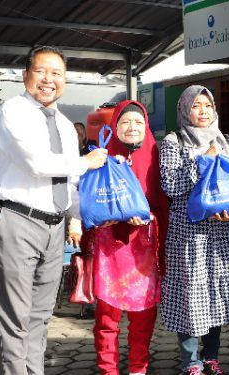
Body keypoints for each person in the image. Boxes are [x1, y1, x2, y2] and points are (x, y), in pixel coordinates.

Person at [0, 45, 108, 375]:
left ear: (65, 81)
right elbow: (38, 163)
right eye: (41, 71)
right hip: (16, 219)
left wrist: (83, 217)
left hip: (54, 229)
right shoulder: (13, 112)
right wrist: (85, 161)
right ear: (26, 75)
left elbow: (68, 185)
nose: (48, 80)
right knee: (15, 317)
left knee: (40, 316)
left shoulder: (67, 127)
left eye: (56, 73)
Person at [160, 85, 229, 375]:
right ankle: (191, 361)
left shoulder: (225, 140)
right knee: (190, 295)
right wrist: (202, 160)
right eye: (196, 105)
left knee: (216, 293)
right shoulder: (174, 141)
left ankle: (211, 355)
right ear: (185, 109)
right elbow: (171, 186)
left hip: (222, 231)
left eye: (207, 106)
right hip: (189, 233)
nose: (202, 111)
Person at [82, 100, 168, 375]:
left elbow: (164, 203)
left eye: (138, 123)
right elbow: (87, 200)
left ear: (146, 127)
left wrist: (149, 218)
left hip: (144, 250)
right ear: (115, 126)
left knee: (143, 316)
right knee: (107, 317)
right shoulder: (100, 157)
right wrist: (98, 221)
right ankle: (108, 370)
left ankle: (138, 369)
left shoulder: (154, 156)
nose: (132, 127)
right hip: (109, 251)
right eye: (126, 122)